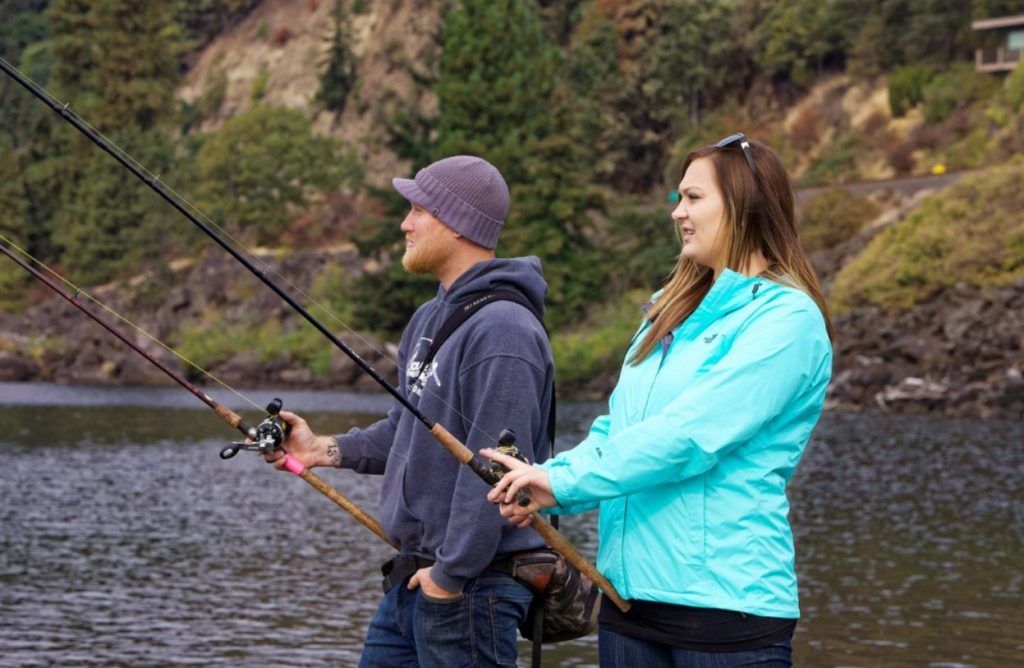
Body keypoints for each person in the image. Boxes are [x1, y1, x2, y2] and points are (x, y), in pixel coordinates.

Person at [484, 133, 833, 667]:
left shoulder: (787, 319)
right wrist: (548, 483)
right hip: (629, 603)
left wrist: (563, 482)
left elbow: (689, 436)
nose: (678, 213)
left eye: (693, 198)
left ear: (744, 203)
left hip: (725, 614)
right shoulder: (668, 313)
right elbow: (619, 430)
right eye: (678, 198)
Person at [267, 155, 555, 667]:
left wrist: (451, 576)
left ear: (457, 222)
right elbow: (407, 430)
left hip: (469, 591)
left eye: (418, 210)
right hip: (412, 581)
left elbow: (496, 468)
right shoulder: (428, 316)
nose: (405, 223)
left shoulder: (505, 331)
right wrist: (321, 450)